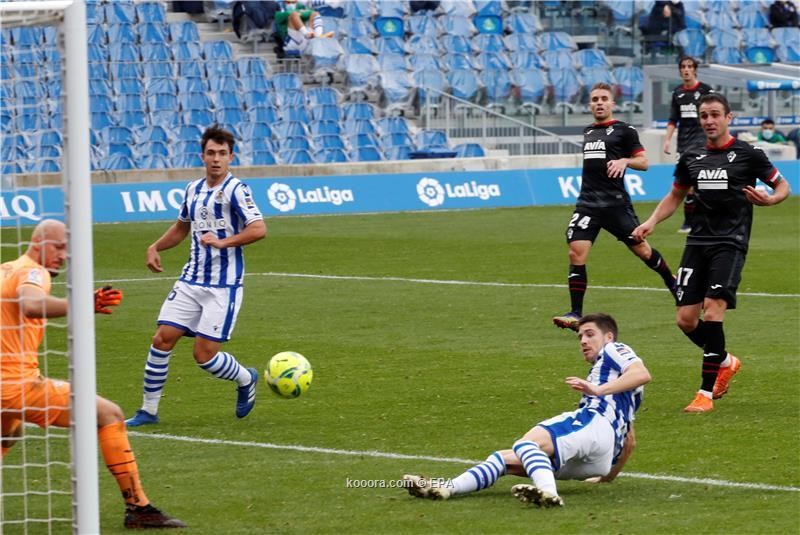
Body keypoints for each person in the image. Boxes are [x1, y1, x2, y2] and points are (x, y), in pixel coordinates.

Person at [0, 220, 185, 529]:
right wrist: (81, 304)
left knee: (8, 432)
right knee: (109, 414)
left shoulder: (6, 269)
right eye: (58, 247)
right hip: (16, 386)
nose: (63, 256)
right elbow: (31, 304)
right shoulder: (33, 272)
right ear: (38, 243)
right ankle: (139, 508)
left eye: (67, 250)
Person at [633, 93, 790, 413]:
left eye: (715, 114)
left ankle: (704, 394)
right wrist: (651, 222)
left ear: (728, 118)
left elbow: (782, 186)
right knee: (685, 319)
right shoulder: (691, 156)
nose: (709, 120)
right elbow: (675, 196)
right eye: (704, 115)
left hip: (730, 242)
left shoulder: (748, 154)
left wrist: (771, 200)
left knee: (713, 309)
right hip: (696, 243)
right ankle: (725, 360)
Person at [404, 313, 651, 507]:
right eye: (580, 337)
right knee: (504, 459)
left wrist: (597, 390)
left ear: (609, 337)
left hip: (594, 424)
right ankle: (445, 488)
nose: (583, 341)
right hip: (602, 456)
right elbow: (629, 441)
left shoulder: (614, 349)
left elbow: (641, 373)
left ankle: (548, 493)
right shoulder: (619, 387)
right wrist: (606, 476)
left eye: (590, 334)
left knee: (527, 444)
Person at [125, 126, 266, 427]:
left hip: (223, 286)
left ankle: (245, 378)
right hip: (191, 280)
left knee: (204, 356)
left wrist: (224, 242)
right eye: (211, 153)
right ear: (202, 156)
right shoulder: (193, 189)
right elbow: (181, 228)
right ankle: (148, 410)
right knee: (162, 339)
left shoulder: (236, 190)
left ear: (231, 157)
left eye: (222, 154)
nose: (216, 159)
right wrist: (155, 246)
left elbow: (258, 229)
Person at [552, 83, 677, 332]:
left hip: (615, 204)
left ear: (612, 104)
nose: (599, 103)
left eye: (603, 99)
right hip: (587, 204)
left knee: (643, 251)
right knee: (576, 253)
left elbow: (644, 162)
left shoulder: (625, 131)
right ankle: (575, 313)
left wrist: (625, 161)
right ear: (590, 105)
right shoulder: (588, 131)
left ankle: (672, 282)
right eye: (595, 99)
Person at [662, 56, 715, 234]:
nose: (686, 69)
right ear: (680, 70)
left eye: (689, 66)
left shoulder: (705, 90)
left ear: (695, 70)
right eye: (683, 67)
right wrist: (667, 139)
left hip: (702, 142)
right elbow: (673, 119)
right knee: (686, 184)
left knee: (699, 182)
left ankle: (693, 221)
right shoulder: (677, 93)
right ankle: (691, 221)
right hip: (683, 145)